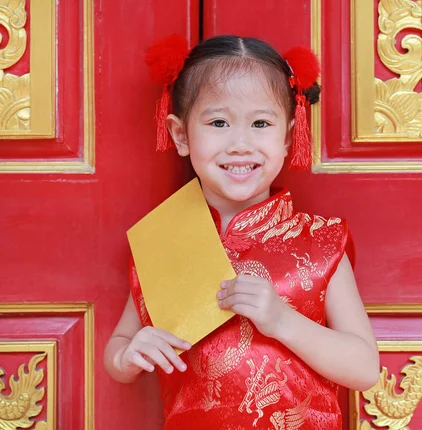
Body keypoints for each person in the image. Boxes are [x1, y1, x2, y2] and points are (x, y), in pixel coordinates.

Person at [104, 34, 379, 429]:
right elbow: (118, 351)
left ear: (287, 136)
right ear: (180, 135)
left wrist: (282, 320)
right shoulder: (164, 239)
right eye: (218, 122)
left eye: (261, 123)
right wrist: (127, 356)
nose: (240, 144)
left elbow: (364, 368)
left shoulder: (320, 242)